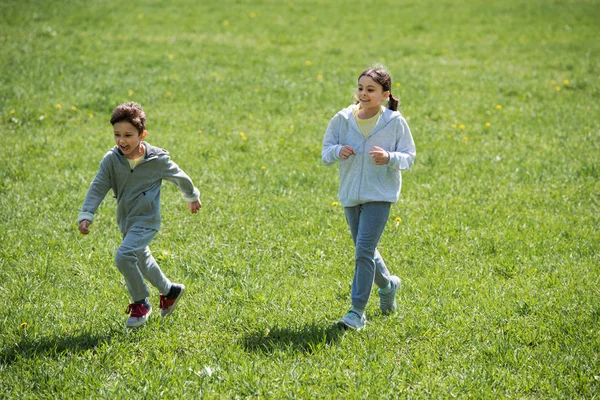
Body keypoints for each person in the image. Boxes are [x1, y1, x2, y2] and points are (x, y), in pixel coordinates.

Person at [77, 102, 201, 328]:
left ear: (142, 135)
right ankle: (170, 291)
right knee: (142, 259)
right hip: (126, 220)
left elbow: (180, 177)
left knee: (123, 256)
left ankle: (141, 302)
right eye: (116, 134)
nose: (121, 140)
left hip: (147, 220)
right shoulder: (111, 161)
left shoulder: (157, 161)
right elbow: (97, 187)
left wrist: (191, 196)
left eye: (128, 135)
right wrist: (87, 214)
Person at [322, 67, 416, 330]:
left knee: (363, 251)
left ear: (385, 95)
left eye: (370, 89)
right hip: (351, 194)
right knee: (365, 250)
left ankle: (356, 312)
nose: (363, 93)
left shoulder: (394, 122)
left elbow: (409, 156)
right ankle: (388, 286)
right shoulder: (342, 119)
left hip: (379, 195)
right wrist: (338, 150)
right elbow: (325, 152)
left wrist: (389, 158)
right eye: (361, 88)